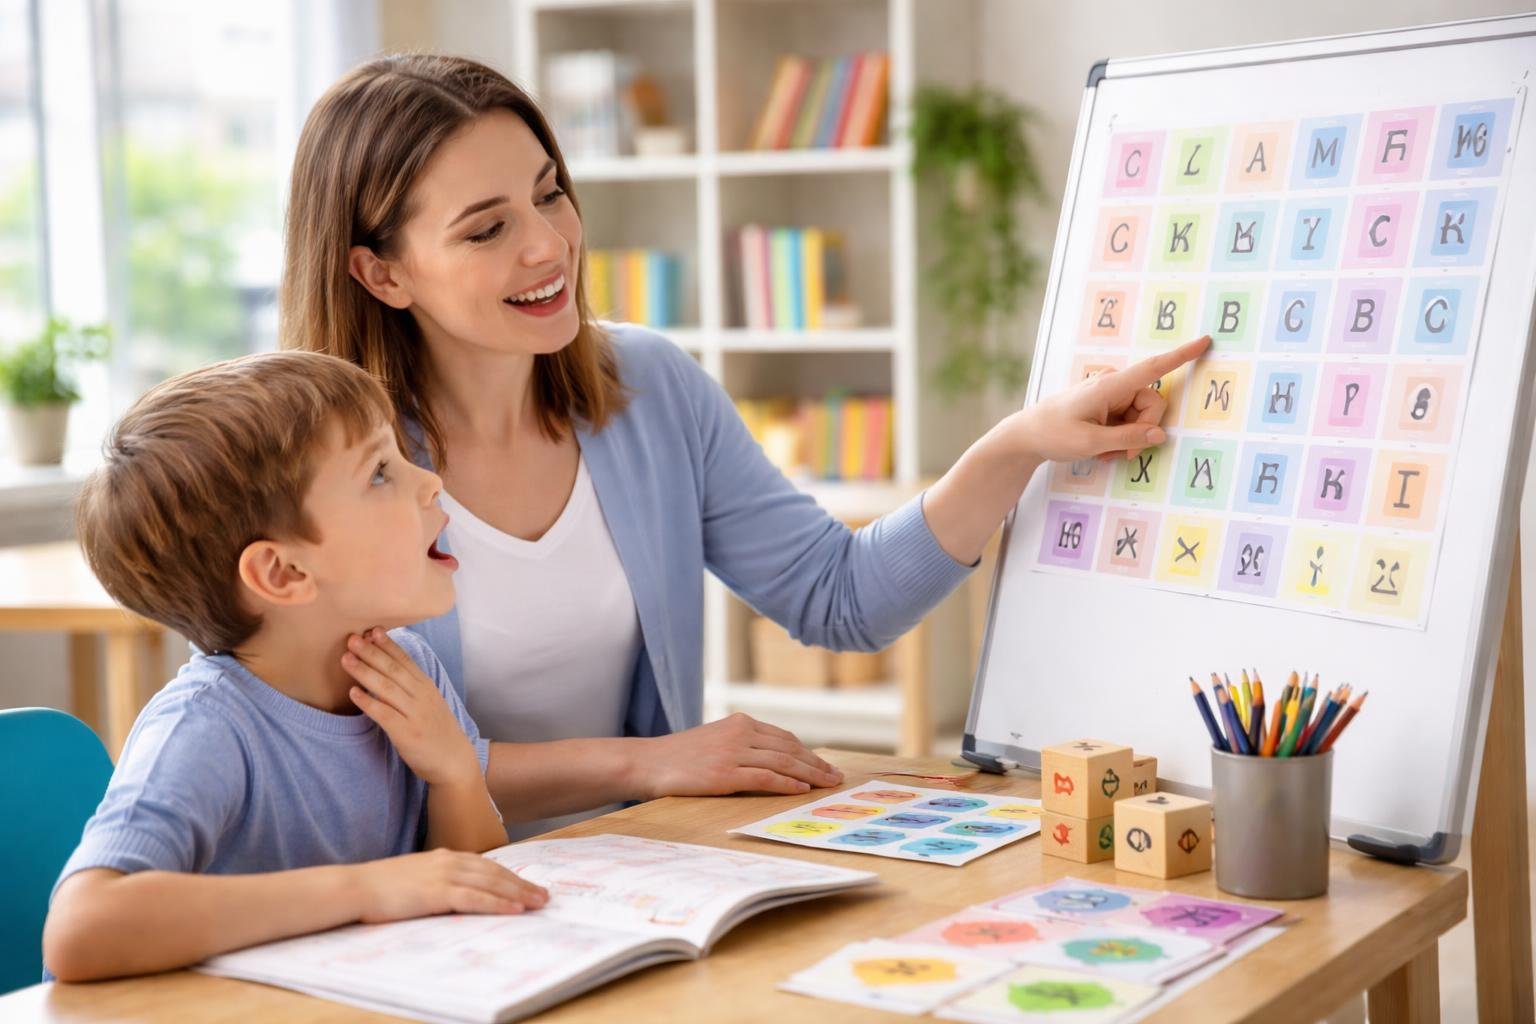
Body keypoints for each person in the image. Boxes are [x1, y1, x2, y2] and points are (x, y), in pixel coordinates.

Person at [282, 54, 1211, 837]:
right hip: (434, 900)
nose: (549, 245)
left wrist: (1020, 445)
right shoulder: (328, 472)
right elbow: (362, 768)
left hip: (637, 867)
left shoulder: (650, 392)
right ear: (382, 272)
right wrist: (651, 762)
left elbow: (839, 599)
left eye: (550, 194)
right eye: (488, 228)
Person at [44, 352, 548, 982]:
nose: (431, 482)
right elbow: (80, 930)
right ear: (283, 573)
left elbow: (473, 890)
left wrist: (455, 777)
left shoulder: (405, 669)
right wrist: (365, 890)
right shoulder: (207, 728)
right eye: (380, 474)